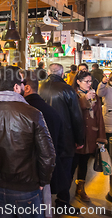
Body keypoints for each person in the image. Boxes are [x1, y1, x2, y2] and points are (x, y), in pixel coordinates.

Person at [0, 66, 55, 218]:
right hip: (26, 188)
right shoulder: (33, 113)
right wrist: (43, 180)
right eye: (22, 82)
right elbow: (47, 155)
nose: (23, 86)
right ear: (16, 86)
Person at [39, 63, 84, 211]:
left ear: (47, 72)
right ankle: (62, 201)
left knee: (44, 167)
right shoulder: (68, 89)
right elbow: (76, 116)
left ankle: (42, 201)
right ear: (62, 72)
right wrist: (80, 139)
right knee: (66, 170)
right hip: (65, 136)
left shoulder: (40, 87)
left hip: (43, 135)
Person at [21, 70, 64, 198]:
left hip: (26, 177)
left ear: (27, 88)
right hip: (47, 175)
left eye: (18, 84)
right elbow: (60, 144)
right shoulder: (52, 112)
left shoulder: (23, 112)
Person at [70, 71, 106, 202]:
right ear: (78, 82)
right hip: (76, 134)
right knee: (72, 163)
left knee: (84, 162)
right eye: (86, 81)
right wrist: (84, 99)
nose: (89, 84)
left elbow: (99, 116)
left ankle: (81, 189)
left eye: (90, 81)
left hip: (90, 133)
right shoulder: (72, 94)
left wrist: (101, 137)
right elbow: (72, 111)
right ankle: (65, 192)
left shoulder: (94, 95)